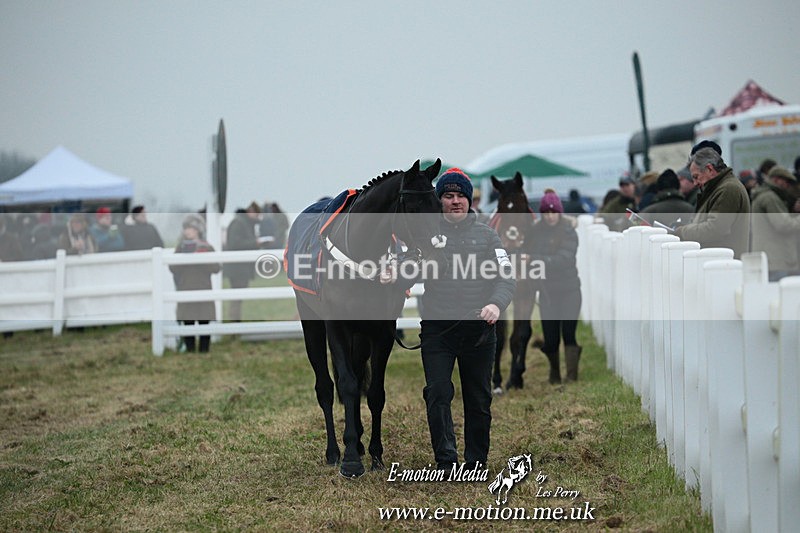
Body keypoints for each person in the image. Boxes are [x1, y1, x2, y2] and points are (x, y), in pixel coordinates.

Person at [417, 168, 515, 471]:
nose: (455, 201)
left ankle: (476, 461)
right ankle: (446, 461)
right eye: (448, 195)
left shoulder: (488, 235)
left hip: (479, 331)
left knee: (478, 398)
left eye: (460, 195)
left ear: (469, 199)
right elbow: (407, 264)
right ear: (440, 200)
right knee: (437, 392)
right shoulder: (425, 236)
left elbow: (506, 276)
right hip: (438, 330)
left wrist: (496, 305)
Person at [526, 189, 582, 384]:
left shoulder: (568, 232)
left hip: (569, 290)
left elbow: (564, 259)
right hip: (547, 291)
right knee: (550, 337)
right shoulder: (535, 231)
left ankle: (572, 375)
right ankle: (555, 372)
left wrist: (535, 259)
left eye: (553, 212)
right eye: (546, 213)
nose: (550, 217)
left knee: (568, 334)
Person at [674, 144, 750, 259]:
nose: (695, 183)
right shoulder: (720, 188)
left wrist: (682, 231)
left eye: (696, 176)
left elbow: (715, 229)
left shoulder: (728, 189)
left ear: (710, 169)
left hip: (723, 265)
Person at [169, 216, 220, 353]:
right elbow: (173, 268)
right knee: (188, 320)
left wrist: (201, 257)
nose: (188, 231)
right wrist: (184, 256)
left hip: (203, 288)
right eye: (186, 228)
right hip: (186, 288)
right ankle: (190, 349)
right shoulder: (180, 247)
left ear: (198, 230)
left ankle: (204, 350)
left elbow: (216, 267)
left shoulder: (207, 247)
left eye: (191, 228)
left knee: (204, 321)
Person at [750, 166, 800, 281]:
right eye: (786, 181)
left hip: (770, 258)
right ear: (776, 180)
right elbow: (784, 225)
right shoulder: (770, 198)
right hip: (776, 259)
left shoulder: (764, 196)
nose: (787, 185)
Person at [224, 202, 260, 321]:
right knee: (237, 297)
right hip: (238, 268)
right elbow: (235, 244)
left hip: (240, 267)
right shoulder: (239, 223)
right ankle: (235, 323)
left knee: (238, 297)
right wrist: (255, 243)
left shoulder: (242, 222)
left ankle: (236, 324)